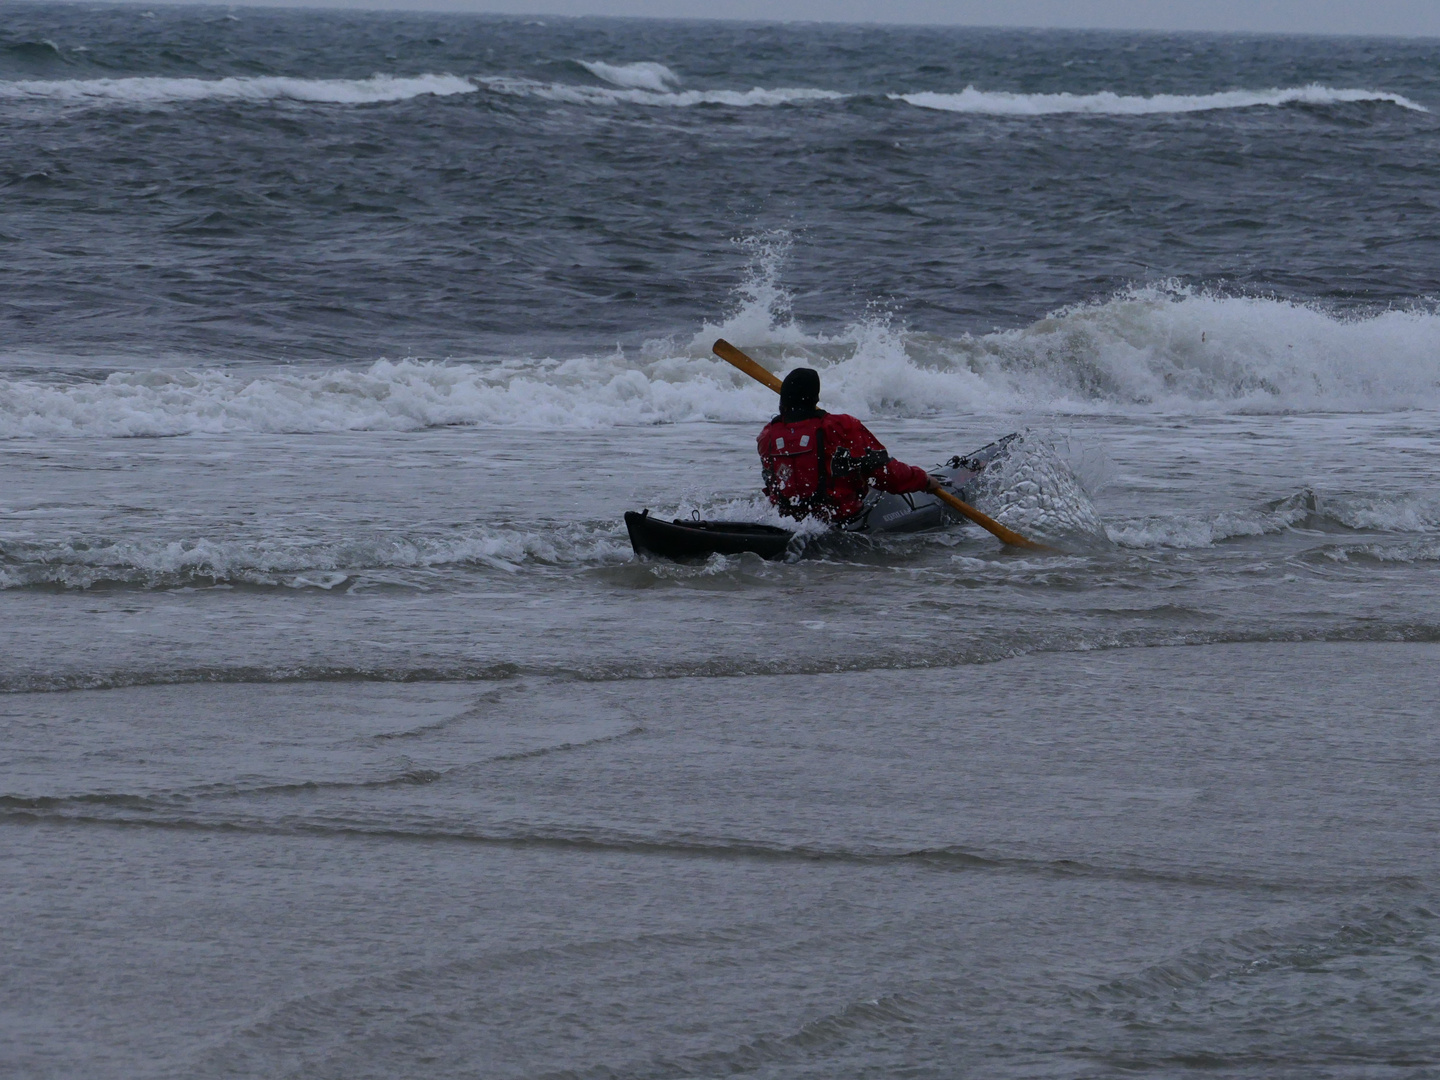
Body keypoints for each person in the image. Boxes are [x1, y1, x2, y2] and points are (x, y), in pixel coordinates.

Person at [757, 367, 940, 524]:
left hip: (789, 521)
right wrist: (923, 480)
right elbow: (884, 473)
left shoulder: (768, 435)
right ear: (815, 398)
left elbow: (771, 483)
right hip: (841, 520)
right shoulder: (840, 426)